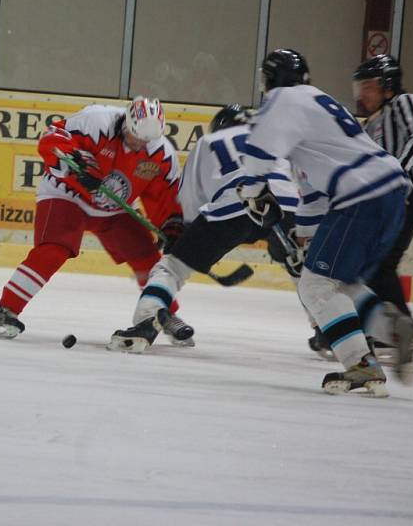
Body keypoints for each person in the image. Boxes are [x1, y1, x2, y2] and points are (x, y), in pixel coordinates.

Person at [233, 48, 413, 397]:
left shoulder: (282, 101)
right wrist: (307, 235)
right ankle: (399, 331)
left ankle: (362, 365)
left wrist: (250, 191)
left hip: (361, 196)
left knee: (315, 286)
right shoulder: (319, 102)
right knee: (343, 283)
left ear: (268, 80)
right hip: (392, 193)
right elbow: (313, 190)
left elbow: (258, 157)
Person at [0, 97, 189, 344]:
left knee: (148, 258)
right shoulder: (96, 120)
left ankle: (166, 316)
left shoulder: (161, 154)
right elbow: (52, 138)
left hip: (114, 209)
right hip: (67, 193)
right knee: (54, 250)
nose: (138, 144)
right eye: (134, 136)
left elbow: (165, 198)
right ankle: (6, 311)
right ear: (127, 121)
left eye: (145, 140)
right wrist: (75, 164)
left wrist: (172, 226)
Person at [106, 104, 304, 353]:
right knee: (310, 272)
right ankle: (331, 332)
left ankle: (147, 322)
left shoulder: (209, 141)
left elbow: (191, 200)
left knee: (172, 266)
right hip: (291, 206)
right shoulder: (275, 141)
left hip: (236, 203)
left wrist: (183, 235)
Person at [308, 55, 413, 360]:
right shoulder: (374, 122)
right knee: (375, 264)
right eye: (359, 86)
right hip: (395, 193)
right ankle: (396, 331)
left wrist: (398, 175)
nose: (361, 94)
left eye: (368, 86)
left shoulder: (406, 102)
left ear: (388, 86)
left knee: (380, 264)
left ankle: (402, 333)